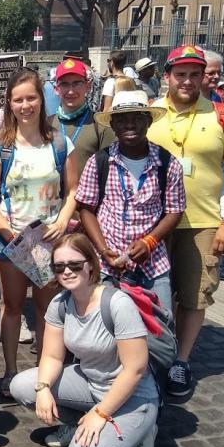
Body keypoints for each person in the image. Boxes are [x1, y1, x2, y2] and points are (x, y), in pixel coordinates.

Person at [9, 233, 160, 447]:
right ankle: (78, 423)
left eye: (75, 265)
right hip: (91, 384)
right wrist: (44, 387)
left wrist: (100, 414)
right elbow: (53, 355)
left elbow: (135, 369)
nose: (67, 271)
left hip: (132, 398)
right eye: (59, 267)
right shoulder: (60, 303)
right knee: (23, 386)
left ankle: (142, 432)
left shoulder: (117, 304)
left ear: (91, 264)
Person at [147, 45, 224, 397]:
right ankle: (151, 356)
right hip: (154, 221)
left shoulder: (223, 115)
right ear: (167, 77)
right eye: (181, 74)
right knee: (152, 296)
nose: (187, 81)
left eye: (194, 74)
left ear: (203, 76)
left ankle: (181, 361)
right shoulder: (149, 113)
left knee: (194, 295)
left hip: (202, 221)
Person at [0, 67, 77, 396]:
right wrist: (6, 230)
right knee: (11, 307)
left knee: (45, 309)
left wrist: (64, 219)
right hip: (13, 240)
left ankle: (44, 375)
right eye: (18, 100)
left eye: (31, 98)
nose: (26, 106)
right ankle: (10, 372)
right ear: (9, 104)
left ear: (42, 100)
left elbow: (73, 191)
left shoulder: (59, 142)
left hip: (48, 240)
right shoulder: (2, 148)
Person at [77, 90, 185, 312]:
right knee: (106, 327)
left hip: (154, 265)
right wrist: (103, 248)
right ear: (113, 125)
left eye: (137, 117)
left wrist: (150, 242)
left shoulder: (168, 163)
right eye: (123, 119)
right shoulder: (99, 161)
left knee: (160, 327)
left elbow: (175, 211)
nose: (130, 124)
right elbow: (86, 209)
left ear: (148, 122)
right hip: (109, 264)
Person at [49, 59, 115, 175]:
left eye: (77, 83)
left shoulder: (101, 126)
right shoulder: (46, 124)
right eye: (64, 84)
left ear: (88, 86)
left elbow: (110, 172)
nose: (71, 91)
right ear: (56, 89)